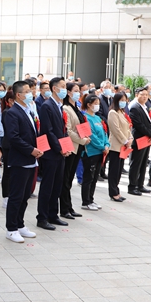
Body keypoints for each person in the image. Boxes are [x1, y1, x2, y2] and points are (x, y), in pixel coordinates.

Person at [2, 81, 42, 243]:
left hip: (30, 160)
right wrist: (30, 150)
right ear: (18, 95)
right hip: (20, 160)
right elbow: (14, 137)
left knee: (25, 195)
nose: (30, 93)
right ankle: (11, 229)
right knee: (16, 196)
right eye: (27, 91)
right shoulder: (12, 113)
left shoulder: (28, 110)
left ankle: (20, 224)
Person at [36, 77, 71, 229]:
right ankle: (42, 218)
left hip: (60, 152)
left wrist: (66, 147)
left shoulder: (59, 106)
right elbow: (48, 131)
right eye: (62, 86)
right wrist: (59, 148)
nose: (65, 89)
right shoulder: (47, 106)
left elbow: (63, 130)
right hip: (51, 152)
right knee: (47, 186)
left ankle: (53, 214)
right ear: (54, 89)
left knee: (57, 185)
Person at [60, 82, 89, 220]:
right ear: (68, 92)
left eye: (79, 91)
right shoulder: (66, 108)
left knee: (70, 179)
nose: (79, 93)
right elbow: (68, 130)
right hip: (71, 147)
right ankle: (64, 208)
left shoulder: (76, 107)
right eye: (76, 90)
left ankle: (69, 207)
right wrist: (82, 140)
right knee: (66, 179)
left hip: (78, 147)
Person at [80, 95, 109, 211]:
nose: (98, 105)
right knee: (88, 178)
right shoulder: (85, 118)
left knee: (95, 177)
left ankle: (91, 199)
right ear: (88, 105)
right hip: (91, 152)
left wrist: (107, 144)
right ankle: (85, 201)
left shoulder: (98, 118)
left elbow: (104, 133)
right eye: (95, 103)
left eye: (98, 103)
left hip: (100, 152)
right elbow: (91, 135)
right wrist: (102, 146)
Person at [128, 87, 151, 196]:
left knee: (143, 163)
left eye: (146, 95)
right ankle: (132, 186)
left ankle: (140, 185)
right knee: (136, 163)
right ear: (136, 95)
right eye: (142, 94)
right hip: (139, 139)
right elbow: (138, 125)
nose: (144, 97)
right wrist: (150, 134)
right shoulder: (134, 107)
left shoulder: (145, 106)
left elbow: (149, 122)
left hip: (146, 139)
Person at [107, 92, 131, 202]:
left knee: (119, 170)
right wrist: (125, 140)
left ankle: (116, 191)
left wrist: (130, 138)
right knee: (114, 170)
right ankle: (113, 192)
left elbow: (127, 128)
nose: (123, 102)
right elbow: (115, 129)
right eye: (121, 100)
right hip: (116, 146)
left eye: (125, 100)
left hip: (123, 146)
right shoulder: (113, 113)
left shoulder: (122, 112)